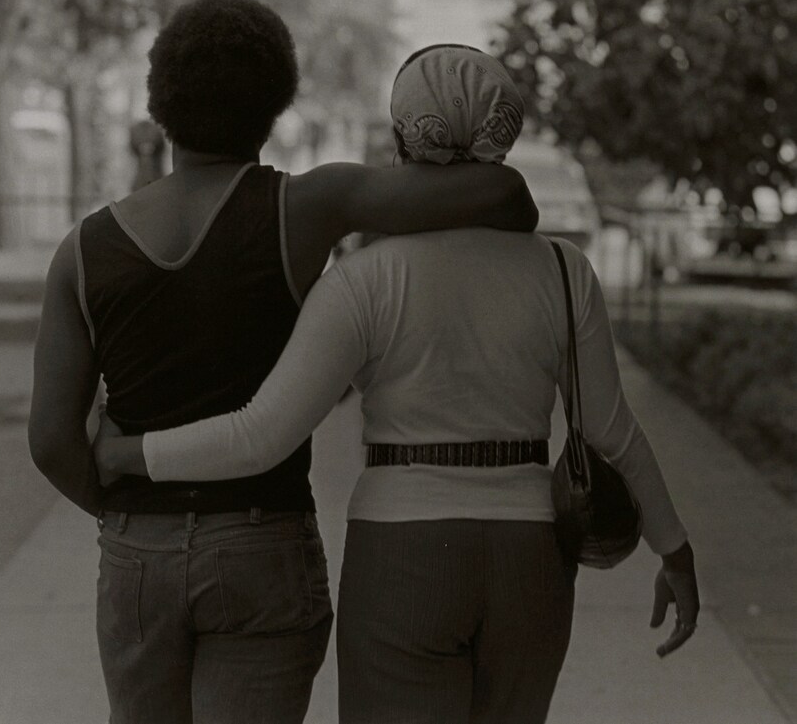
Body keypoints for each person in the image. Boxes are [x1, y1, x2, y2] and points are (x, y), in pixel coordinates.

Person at [94, 44, 700, 724]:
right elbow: (611, 430)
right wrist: (674, 546)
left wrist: (128, 452)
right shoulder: (565, 270)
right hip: (531, 556)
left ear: (400, 138)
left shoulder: (366, 279)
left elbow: (260, 435)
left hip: (404, 552)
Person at [27, 0, 540, 724]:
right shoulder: (306, 206)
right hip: (263, 543)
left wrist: (134, 517)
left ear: (160, 102)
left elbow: (50, 440)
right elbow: (505, 191)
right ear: (274, 105)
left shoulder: (81, 252)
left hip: (138, 553)